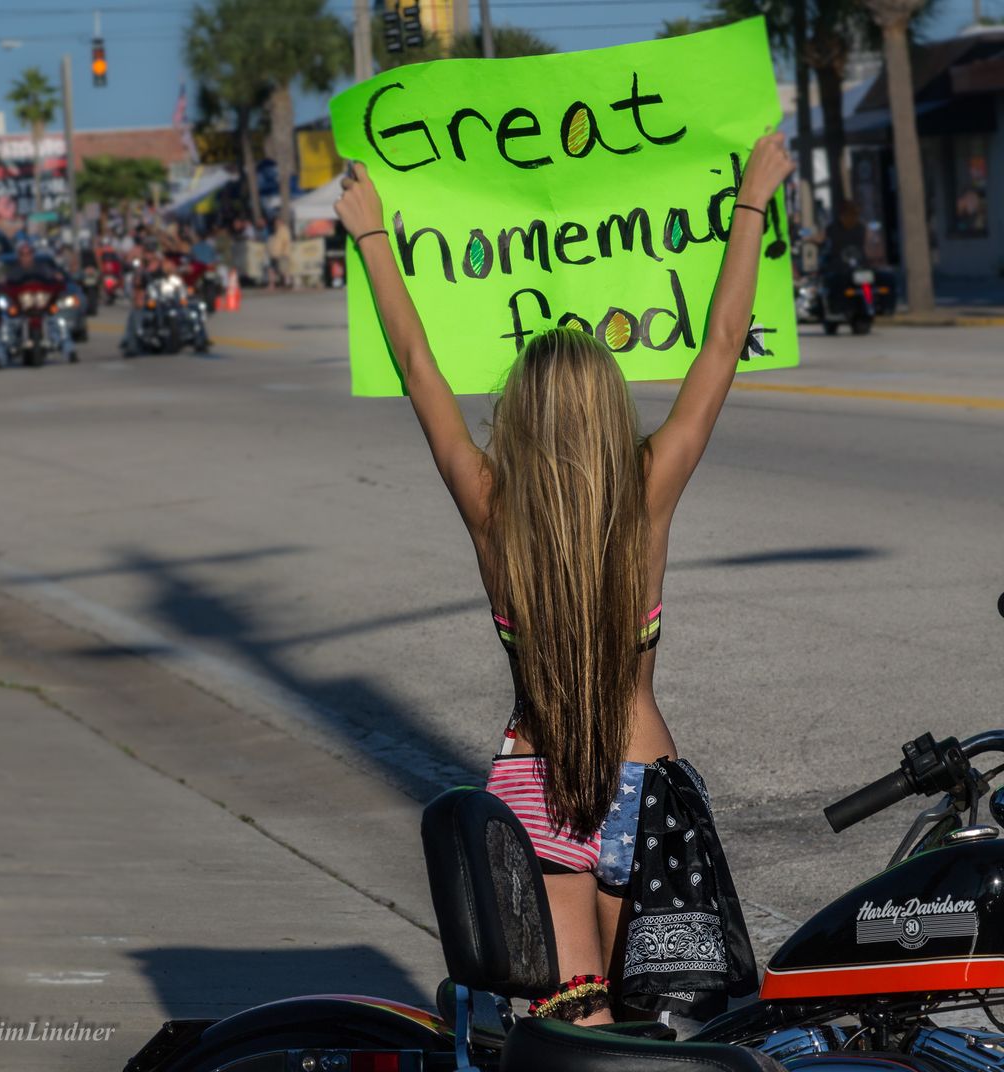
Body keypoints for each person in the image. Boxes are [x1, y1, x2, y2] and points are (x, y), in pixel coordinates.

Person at [335, 133, 794, 1029]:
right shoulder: (646, 492)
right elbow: (721, 346)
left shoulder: (491, 507)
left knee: (572, 1033)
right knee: (659, 1032)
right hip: (641, 788)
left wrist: (373, 236)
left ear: (520, 415)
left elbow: (419, 366)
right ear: (608, 408)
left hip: (531, 789)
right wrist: (750, 202)